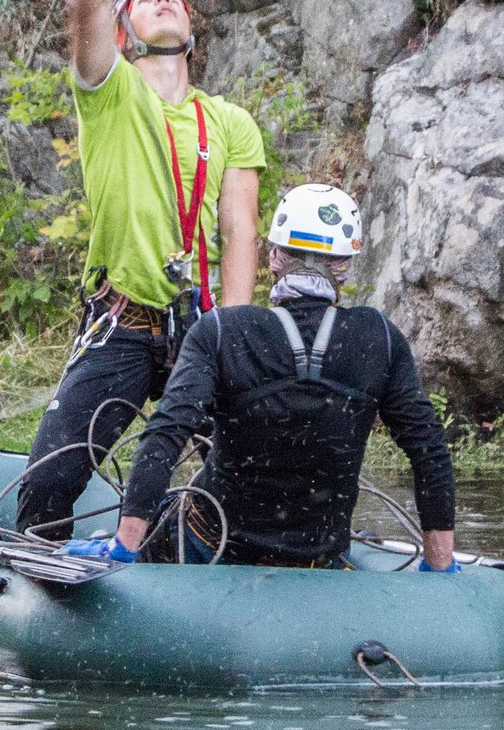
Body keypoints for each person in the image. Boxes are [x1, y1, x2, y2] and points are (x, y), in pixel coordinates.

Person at [12, 0, 267, 537]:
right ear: (124, 35)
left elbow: (240, 233)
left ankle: (189, 549)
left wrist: (237, 340)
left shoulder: (230, 122)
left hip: (205, 332)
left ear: (191, 28)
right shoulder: (111, 94)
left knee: (249, 481)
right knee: (45, 490)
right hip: (126, 325)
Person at [65, 184, 459, 571]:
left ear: (274, 257)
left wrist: (125, 546)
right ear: (345, 265)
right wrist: (440, 567)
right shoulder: (379, 338)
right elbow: (429, 451)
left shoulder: (224, 331)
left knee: (170, 516)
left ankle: (119, 541)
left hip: (211, 545)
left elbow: (166, 433)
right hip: (316, 559)